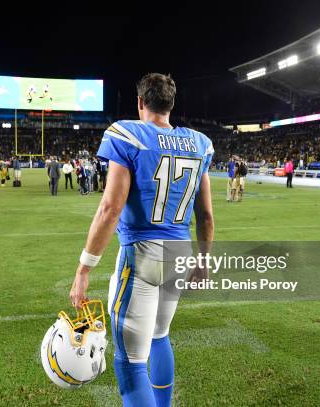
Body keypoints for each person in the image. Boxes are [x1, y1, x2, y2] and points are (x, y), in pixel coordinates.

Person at [69, 73, 214, 407]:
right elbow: (205, 215)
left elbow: (110, 208)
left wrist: (84, 268)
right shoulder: (199, 143)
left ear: (139, 102)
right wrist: (203, 263)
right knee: (159, 336)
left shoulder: (127, 134)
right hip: (180, 252)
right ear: (171, 104)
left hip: (142, 254)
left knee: (130, 362)